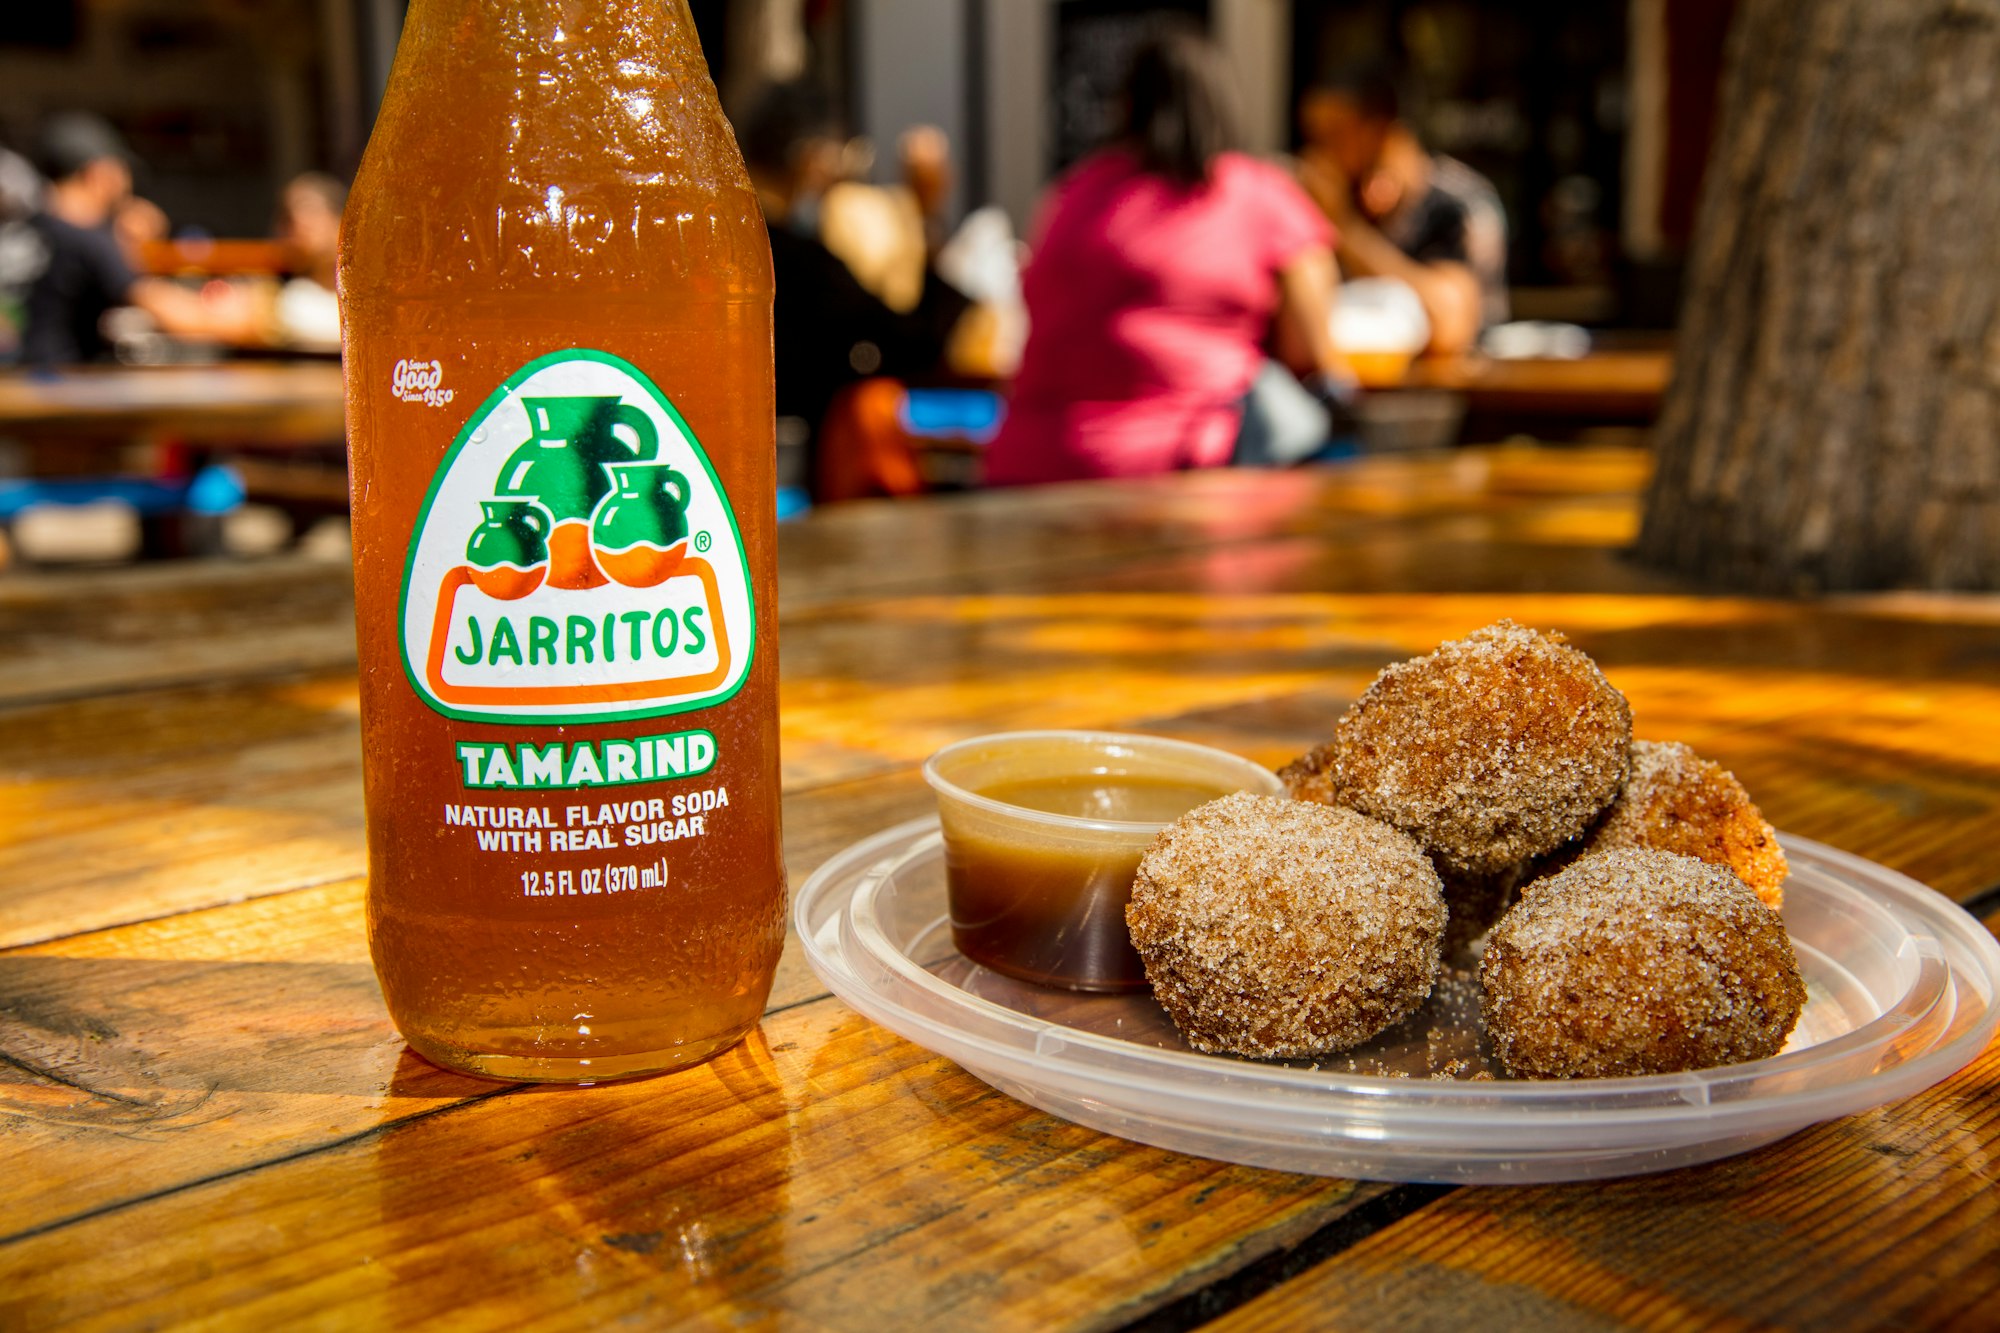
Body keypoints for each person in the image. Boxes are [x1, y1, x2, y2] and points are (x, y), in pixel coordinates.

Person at [984, 27, 1346, 486]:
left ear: (1126, 108)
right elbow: (1314, 352)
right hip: (1179, 474)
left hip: (1024, 463)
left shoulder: (1072, 193)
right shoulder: (1256, 194)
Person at [735, 82, 969, 500]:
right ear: (811, 159)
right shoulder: (803, 263)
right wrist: (925, 211)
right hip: (798, 490)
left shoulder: (719, 245)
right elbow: (917, 341)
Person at [1296, 65, 1508, 356]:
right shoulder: (1333, 196)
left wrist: (1345, 229)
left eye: (1334, 134)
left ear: (1380, 131)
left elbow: (1449, 324)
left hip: (1450, 393)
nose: (1319, 153)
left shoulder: (1457, 201)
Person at [19, 112, 254, 366]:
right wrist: (253, 314)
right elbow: (180, 318)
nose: (127, 184)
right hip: (49, 390)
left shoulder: (26, 228)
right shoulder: (88, 239)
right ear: (99, 174)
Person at [272, 172, 345, 350]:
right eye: (288, 216)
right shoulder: (286, 296)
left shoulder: (374, 294)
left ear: (340, 217)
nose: (299, 222)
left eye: (309, 209)